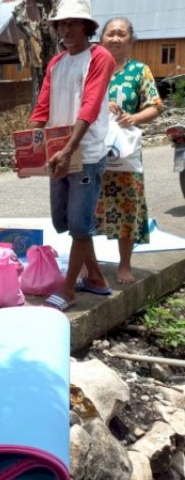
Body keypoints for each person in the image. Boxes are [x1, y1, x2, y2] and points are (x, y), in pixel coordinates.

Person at [27, 0, 115, 311]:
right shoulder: (56, 62)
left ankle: (67, 290)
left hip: (85, 153)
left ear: (87, 27)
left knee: (79, 224)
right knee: (63, 221)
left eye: (73, 22)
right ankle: (96, 278)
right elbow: (42, 107)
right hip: (57, 153)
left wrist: (68, 148)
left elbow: (90, 105)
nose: (67, 29)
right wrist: (28, 148)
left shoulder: (100, 57)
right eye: (62, 23)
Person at [94, 17, 163, 284]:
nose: (115, 38)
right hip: (93, 148)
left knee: (127, 205)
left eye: (121, 34)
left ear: (130, 40)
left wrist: (133, 118)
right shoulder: (91, 68)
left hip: (124, 151)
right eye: (110, 33)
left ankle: (124, 264)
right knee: (87, 207)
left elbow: (155, 105)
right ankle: (90, 264)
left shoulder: (139, 70)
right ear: (101, 38)